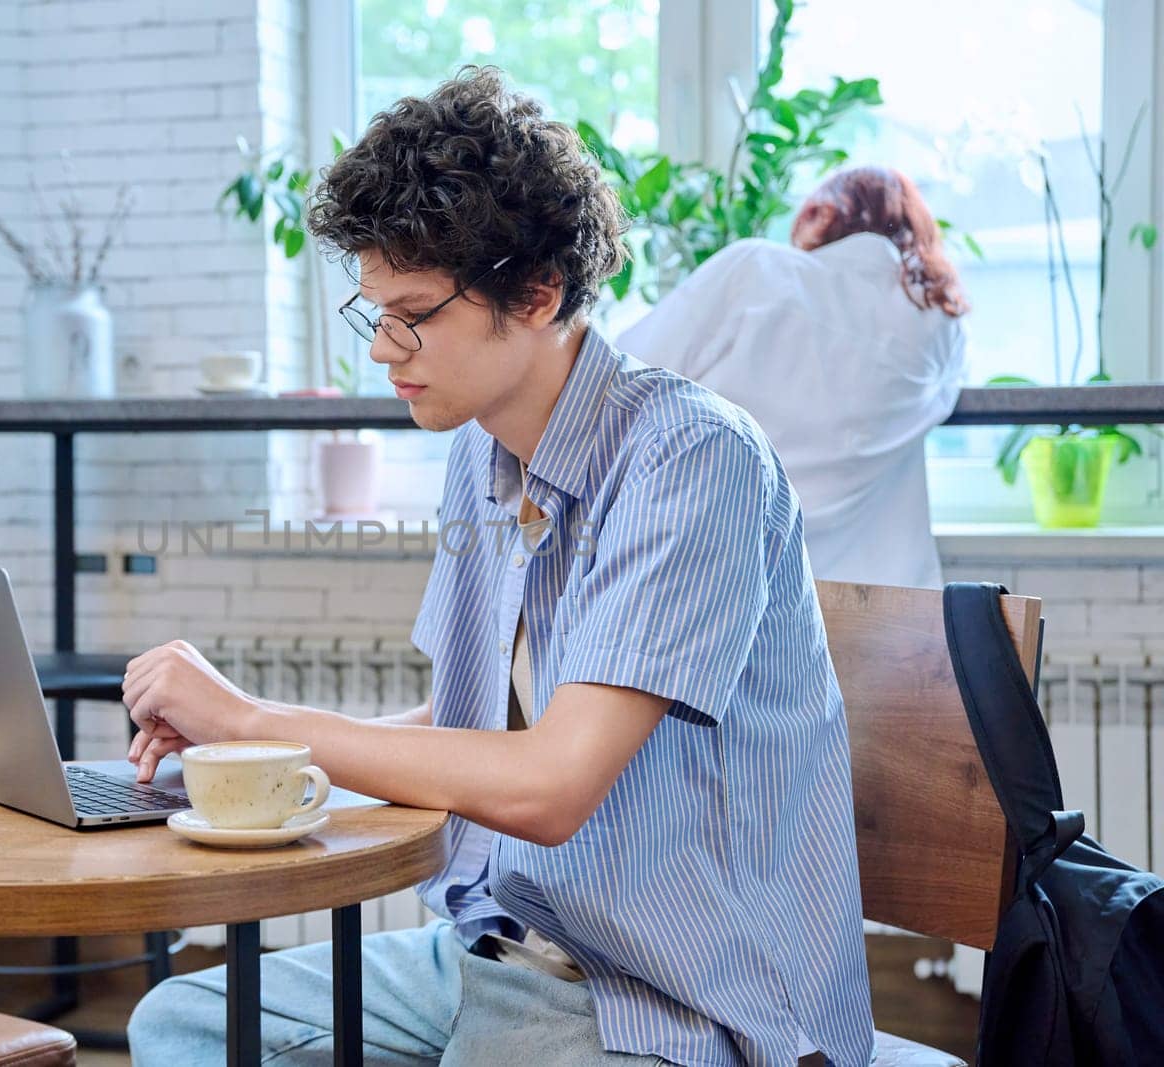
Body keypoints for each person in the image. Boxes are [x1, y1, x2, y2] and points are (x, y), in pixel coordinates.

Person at [123, 67, 874, 1067]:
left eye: (415, 312)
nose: (385, 350)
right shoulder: (480, 446)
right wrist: (238, 755)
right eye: (373, 311)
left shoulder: (692, 458)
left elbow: (550, 785)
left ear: (535, 290)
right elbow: (463, 726)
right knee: (178, 1021)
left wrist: (258, 720)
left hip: (677, 993)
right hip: (509, 947)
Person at [616, 165, 969, 588]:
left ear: (820, 214)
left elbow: (620, 376)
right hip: (877, 608)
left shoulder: (757, 270)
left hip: (720, 579)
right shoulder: (940, 328)